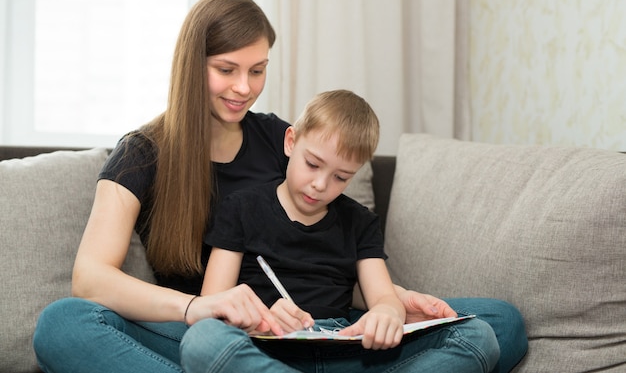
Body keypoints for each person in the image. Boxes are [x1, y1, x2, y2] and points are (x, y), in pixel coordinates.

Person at [32, 0, 527, 373]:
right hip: (213, 333)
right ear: (191, 65)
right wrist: (199, 307)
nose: (243, 87)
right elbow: (90, 278)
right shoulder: (141, 155)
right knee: (62, 325)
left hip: (314, 328)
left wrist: (388, 300)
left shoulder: (279, 139)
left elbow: (318, 250)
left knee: (500, 322)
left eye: (258, 70)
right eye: (226, 70)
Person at [190, 89, 499, 372]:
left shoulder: (360, 222)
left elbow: (384, 296)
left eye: (341, 177)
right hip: (265, 347)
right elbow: (212, 304)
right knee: (202, 339)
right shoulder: (241, 208)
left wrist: (388, 314)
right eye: (312, 164)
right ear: (290, 142)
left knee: (478, 335)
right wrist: (261, 320)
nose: (321, 185)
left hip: (345, 349)